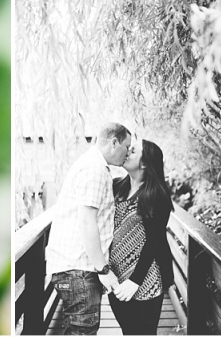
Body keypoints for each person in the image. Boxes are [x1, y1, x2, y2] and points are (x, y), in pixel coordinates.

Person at [46, 122, 131, 335]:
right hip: (79, 269)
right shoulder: (94, 169)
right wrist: (104, 269)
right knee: (82, 331)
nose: (127, 153)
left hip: (75, 268)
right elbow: (87, 222)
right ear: (114, 142)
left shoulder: (93, 165)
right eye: (126, 147)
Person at [108, 139, 174, 335]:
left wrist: (135, 281)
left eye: (133, 150)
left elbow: (153, 243)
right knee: (127, 330)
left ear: (144, 163)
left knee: (144, 332)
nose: (126, 152)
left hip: (145, 277)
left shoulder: (156, 195)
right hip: (117, 277)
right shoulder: (115, 186)